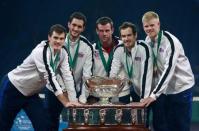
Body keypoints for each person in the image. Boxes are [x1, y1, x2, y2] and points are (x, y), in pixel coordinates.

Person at [0, 24, 79, 131]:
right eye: (55, 37)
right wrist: (65, 102)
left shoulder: (63, 52)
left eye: (61, 39)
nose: (58, 41)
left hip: (31, 94)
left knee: (45, 126)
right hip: (13, 88)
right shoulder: (41, 51)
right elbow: (50, 78)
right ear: (49, 37)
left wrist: (72, 99)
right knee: (3, 126)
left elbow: (67, 75)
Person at [141, 11, 195, 131]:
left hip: (181, 88)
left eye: (152, 25)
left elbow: (168, 69)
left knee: (180, 126)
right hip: (165, 91)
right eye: (146, 26)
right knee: (163, 126)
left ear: (158, 24)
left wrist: (154, 95)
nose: (149, 28)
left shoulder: (170, 42)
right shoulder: (147, 41)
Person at [44, 12, 93, 130]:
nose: (75, 29)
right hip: (54, 89)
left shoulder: (87, 47)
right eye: (74, 25)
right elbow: (52, 70)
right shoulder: (58, 41)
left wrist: (82, 98)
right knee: (50, 122)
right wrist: (63, 90)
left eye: (79, 26)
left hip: (74, 91)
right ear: (68, 24)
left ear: (83, 28)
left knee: (77, 125)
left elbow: (87, 75)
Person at [110, 22, 153, 102]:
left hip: (152, 92)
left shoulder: (143, 48)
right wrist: (111, 95)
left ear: (135, 35)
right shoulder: (119, 49)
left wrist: (144, 98)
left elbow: (147, 75)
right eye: (123, 36)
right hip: (137, 90)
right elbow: (113, 73)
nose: (126, 39)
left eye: (129, 35)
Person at [92, 17, 131, 104]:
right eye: (101, 31)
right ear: (97, 31)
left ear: (112, 30)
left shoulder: (124, 45)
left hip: (122, 93)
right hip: (101, 95)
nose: (104, 34)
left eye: (107, 30)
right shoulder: (92, 49)